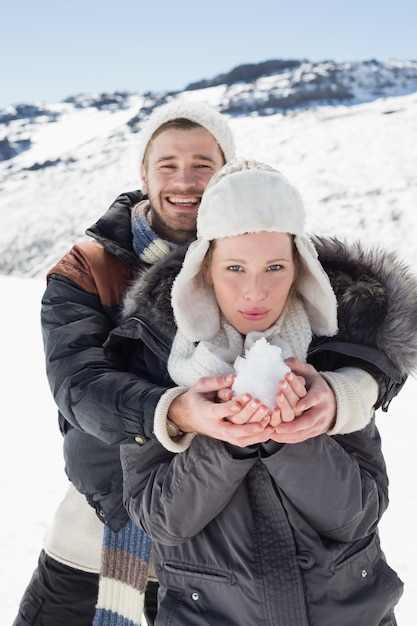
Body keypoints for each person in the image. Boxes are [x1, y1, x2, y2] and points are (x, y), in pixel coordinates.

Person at [12, 101, 411, 626]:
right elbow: (79, 386)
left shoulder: (283, 260)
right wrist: (178, 411)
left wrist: (345, 392)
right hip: (115, 507)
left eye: (203, 165)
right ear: (143, 173)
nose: (185, 180)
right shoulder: (95, 270)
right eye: (168, 164)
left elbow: (375, 334)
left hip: (236, 541)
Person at [121, 158, 415, 625]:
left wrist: (292, 434)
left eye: (274, 267)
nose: (254, 292)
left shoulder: (336, 356)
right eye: (234, 267)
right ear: (205, 269)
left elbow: (357, 516)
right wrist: (225, 443)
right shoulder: (153, 358)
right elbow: (160, 520)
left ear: (300, 268)